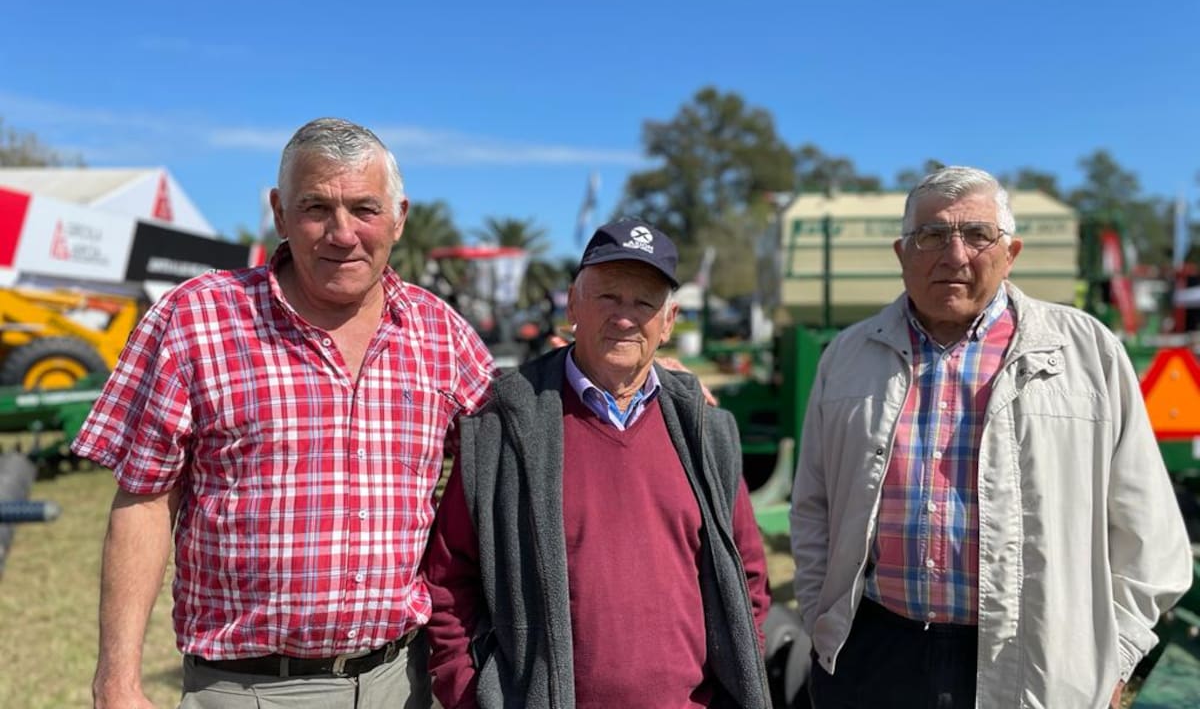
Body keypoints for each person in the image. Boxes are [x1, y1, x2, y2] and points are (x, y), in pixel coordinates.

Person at [72, 118, 495, 709]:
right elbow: (143, 499)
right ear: (279, 211)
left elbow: (516, 451)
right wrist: (117, 682)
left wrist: (647, 388)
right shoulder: (197, 321)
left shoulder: (440, 335)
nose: (342, 233)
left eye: (365, 209)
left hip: (401, 683)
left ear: (399, 216)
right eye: (316, 207)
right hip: (247, 688)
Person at [789, 166, 1193, 709]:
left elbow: (1148, 530)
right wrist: (821, 618)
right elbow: (813, 506)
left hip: (1035, 659)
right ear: (901, 252)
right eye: (930, 236)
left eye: (977, 235)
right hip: (875, 654)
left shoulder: (1087, 353)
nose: (954, 255)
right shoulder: (847, 356)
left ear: (1011, 253)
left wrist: (1114, 653)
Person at [423, 218, 772, 709]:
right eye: (608, 296)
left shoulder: (706, 433)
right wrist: (470, 694)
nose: (625, 318)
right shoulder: (504, 425)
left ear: (668, 322)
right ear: (573, 304)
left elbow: (749, 577)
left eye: (644, 303)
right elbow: (447, 581)